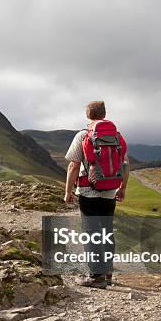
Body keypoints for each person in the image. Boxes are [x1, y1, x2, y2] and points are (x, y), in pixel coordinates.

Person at [64, 101, 129, 288]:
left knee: (91, 233)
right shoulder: (117, 136)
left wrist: (68, 191)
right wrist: (122, 188)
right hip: (110, 192)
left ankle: (95, 277)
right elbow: (125, 164)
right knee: (106, 231)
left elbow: (73, 165)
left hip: (87, 191)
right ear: (105, 113)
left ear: (87, 115)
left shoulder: (83, 135)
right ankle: (107, 273)